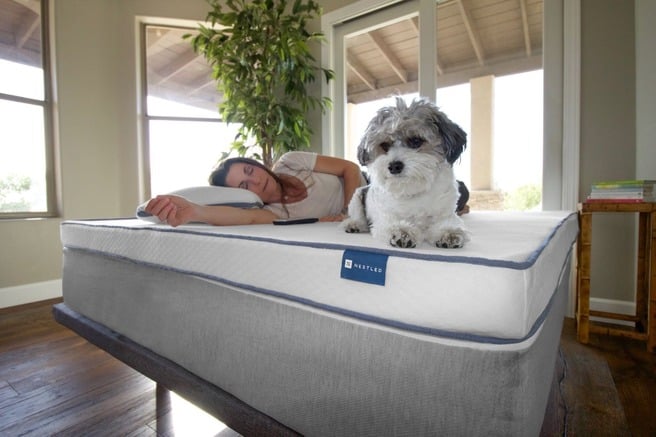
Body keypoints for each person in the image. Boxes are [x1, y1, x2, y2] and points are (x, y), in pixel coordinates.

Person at [145, 151, 366, 227]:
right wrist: (195, 211)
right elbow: (245, 218)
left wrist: (348, 213)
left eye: (250, 172)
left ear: (256, 165)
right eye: (244, 185)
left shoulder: (291, 161)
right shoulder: (273, 214)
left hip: (369, 186)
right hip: (369, 216)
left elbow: (350, 169)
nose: (257, 182)